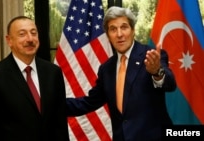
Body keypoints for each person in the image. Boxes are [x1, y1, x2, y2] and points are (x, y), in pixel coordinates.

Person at [66, 6, 176, 141]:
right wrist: (50, 102)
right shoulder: (106, 69)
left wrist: (157, 72)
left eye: (124, 27)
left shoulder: (151, 57)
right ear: (108, 35)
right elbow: (89, 102)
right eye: (113, 29)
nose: (119, 34)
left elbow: (170, 84)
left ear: (133, 30)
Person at [0, 16, 69, 141]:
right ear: (9, 41)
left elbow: (60, 124)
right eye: (22, 34)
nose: (30, 39)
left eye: (33, 33)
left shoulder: (53, 72)